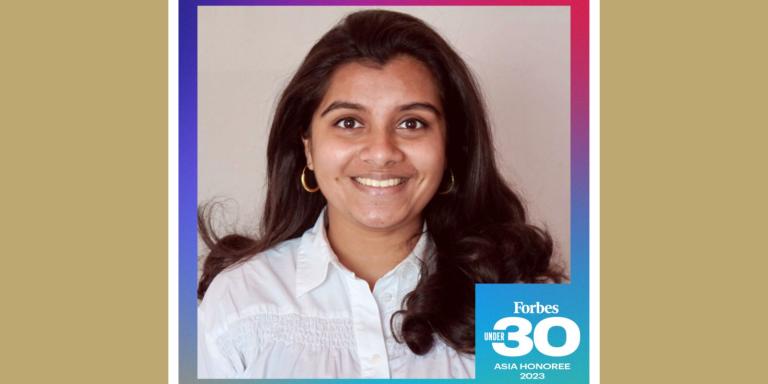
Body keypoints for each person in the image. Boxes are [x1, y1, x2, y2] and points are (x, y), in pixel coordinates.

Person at [197, 9, 563, 379]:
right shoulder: (240, 300)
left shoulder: (525, 302)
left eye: (411, 123)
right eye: (349, 122)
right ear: (308, 147)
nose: (382, 151)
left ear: (452, 146)